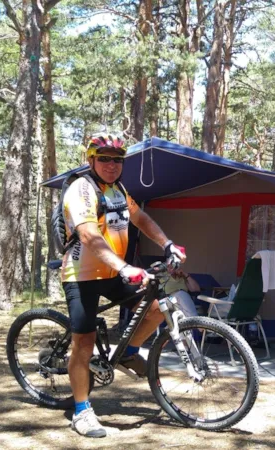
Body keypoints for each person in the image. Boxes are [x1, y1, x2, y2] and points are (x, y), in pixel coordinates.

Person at [61, 133, 186, 438]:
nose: (111, 165)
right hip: (82, 274)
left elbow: (140, 218)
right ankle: (81, 410)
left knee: (156, 309)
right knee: (85, 343)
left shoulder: (118, 190)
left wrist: (167, 243)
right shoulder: (81, 189)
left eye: (117, 160)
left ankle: (128, 352)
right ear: (91, 160)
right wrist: (124, 266)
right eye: (104, 159)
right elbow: (89, 236)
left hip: (113, 272)